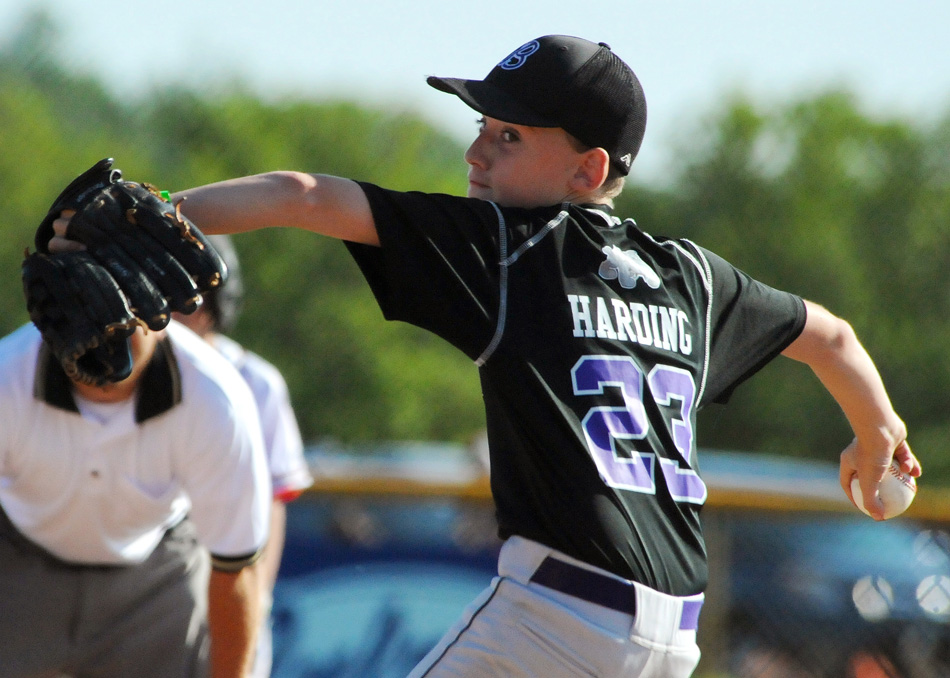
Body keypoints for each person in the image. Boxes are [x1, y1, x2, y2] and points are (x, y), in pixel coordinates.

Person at [52, 34, 920, 678]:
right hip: (672, 639)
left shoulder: (509, 250)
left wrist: (158, 209)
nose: (476, 152)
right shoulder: (689, 277)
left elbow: (303, 196)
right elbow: (831, 336)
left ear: (586, 171)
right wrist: (876, 430)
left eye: (508, 135)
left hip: (556, 615)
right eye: (482, 126)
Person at [0, 318, 272, 678]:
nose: (106, 351)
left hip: (156, 576)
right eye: (91, 325)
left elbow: (235, 570)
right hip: (19, 565)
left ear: (162, 316)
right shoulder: (7, 376)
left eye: (124, 324)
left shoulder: (214, 395)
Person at [172, 234, 314, 678]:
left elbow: (274, 500)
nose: (177, 311)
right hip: (148, 574)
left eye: (191, 297)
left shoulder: (255, 381)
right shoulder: (124, 376)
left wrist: (257, 596)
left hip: (227, 571)